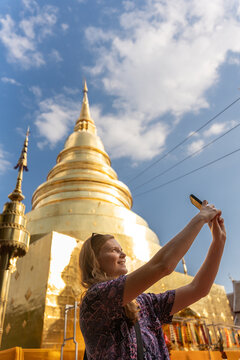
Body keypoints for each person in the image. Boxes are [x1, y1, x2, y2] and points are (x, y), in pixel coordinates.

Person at [79, 201, 226, 359]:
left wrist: (218, 242)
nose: (123, 255)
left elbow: (198, 289)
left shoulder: (143, 303)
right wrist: (201, 218)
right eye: (114, 250)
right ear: (95, 259)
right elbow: (163, 265)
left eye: (122, 250)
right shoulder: (96, 300)